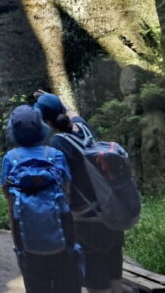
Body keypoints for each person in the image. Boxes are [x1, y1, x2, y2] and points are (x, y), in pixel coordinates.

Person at [36, 92, 125, 293]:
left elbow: (63, 184)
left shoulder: (58, 143)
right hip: (110, 211)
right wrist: (54, 98)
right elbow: (72, 111)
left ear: (47, 122)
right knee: (115, 280)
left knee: (96, 285)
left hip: (86, 220)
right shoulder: (84, 128)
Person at [1, 104, 81, 293]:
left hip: (28, 243)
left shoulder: (10, 159)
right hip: (62, 239)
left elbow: (11, 205)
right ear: (41, 128)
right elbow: (67, 195)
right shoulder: (55, 155)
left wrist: (18, 248)